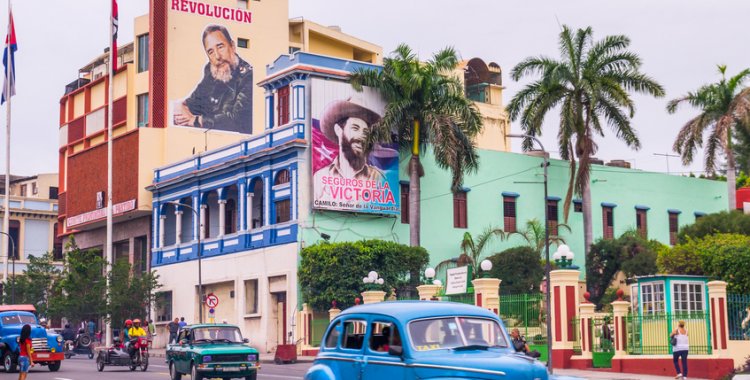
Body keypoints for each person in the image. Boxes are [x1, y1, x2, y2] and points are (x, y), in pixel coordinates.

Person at [174, 24, 253, 134]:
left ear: (232, 46)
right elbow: (195, 101)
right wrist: (182, 107)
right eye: (210, 52)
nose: (217, 56)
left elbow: (236, 119)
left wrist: (198, 120)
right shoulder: (212, 71)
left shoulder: (247, 76)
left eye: (220, 47)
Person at [313, 97, 385, 196]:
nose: (362, 136)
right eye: (355, 128)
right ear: (338, 130)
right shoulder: (320, 177)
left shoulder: (378, 177)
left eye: (365, 132)